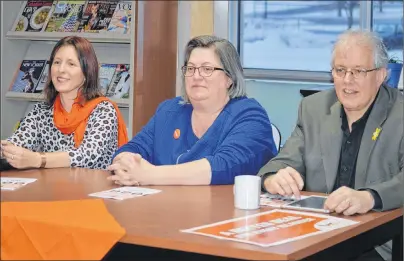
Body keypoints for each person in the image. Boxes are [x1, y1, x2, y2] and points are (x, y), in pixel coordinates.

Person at [260, 30, 403, 261]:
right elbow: (283, 161)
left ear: (381, 75)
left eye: (358, 71)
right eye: (340, 70)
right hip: (315, 236)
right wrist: (274, 177)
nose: (348, 80)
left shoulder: (399, 113)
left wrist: (370, 197)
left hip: (378, 243)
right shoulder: (313, 109)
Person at [108, 35, 277, 186]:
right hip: (164, 211)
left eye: (207, 69)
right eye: (190, 68)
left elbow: (224, 166)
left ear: (229, 78)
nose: (196, 76)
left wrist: (149, 175)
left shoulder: (250, 115)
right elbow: (134, 147)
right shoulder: (170, 110)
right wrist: (125, 165)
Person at [1, 36, 128, 170]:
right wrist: (5, 149)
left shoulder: (103, 110)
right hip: (53, 187)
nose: (61, 70)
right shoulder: (42, 110)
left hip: (93, 188)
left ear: (87, 72)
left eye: (71, 64)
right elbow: (17, 143)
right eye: (56, 62)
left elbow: (87, 156)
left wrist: (38, 159)